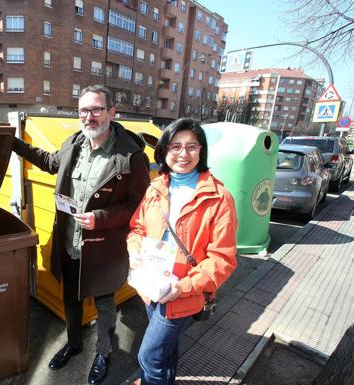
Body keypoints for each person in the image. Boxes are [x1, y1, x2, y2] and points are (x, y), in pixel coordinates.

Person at [12, 85, 150, 384]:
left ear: (112, 113)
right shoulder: (73, 143)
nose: (89, 117)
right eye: (83, 111)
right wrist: (11, 143)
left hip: (103, 246)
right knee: (71, 298)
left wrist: (99, 219)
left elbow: (136, 206)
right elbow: (49, 163)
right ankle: (74, 344)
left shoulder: (131, 155)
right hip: (70, 242)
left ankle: (102, 352)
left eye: (96, 109)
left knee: (104, 302)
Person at [127, 118, 238, 385]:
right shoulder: (156, 187)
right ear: (165, 151)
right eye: (175, 146)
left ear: (201, 151)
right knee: (166, 351)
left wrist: (184, 287)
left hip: (182, 292)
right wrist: (134, 251)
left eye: (191, 146)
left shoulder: (219, 198)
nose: (183, 154)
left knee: (149, 357)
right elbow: (137, 229)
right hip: (150, 284)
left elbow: (222, 259)